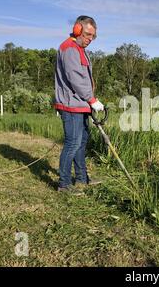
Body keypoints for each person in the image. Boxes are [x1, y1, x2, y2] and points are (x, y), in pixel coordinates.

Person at [54, 15, 105, 193]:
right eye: (88, 35)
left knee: (81, 142)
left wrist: (90, 100)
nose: (90, 39)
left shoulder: (80, 49)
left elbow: (85, 79)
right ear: (77, 30)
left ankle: (82, 178)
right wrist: (91, 100)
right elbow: (75, 79)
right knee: (72, 143)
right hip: (71, 105)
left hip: (81, 104)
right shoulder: (69, 49)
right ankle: (64, 184)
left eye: (93, 36)